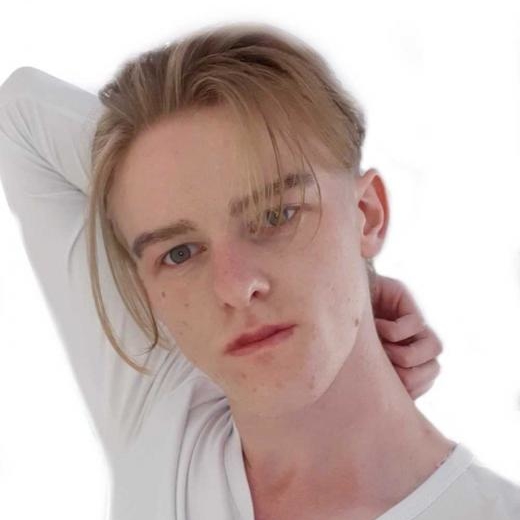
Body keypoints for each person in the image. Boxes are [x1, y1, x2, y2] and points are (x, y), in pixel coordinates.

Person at [0, 22, 518, 520]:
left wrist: (355, 272)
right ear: (149, 288)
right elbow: (18, 113)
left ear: (368, 215)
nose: (234, 286)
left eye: (274, 216)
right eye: (180, 252)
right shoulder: (164, 415)